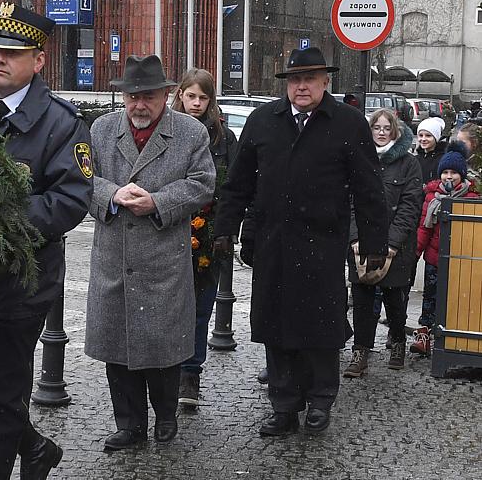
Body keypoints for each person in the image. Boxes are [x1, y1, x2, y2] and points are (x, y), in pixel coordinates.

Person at [0, 3, 93, 479]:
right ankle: (36, 447)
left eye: (12, 51)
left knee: (1, 395)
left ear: (39, 60)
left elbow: (71, 198)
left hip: (19, 285)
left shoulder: (63, 123)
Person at [213, 47, 388, 436]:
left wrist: (375, 242)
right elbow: (238, 184)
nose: (302, 86)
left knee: (320, 327)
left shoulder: (348, 123)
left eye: (310, 79)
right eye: (295, 79)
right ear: (287, 84)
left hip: (323, 244)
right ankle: (283, 404)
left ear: (326, 81)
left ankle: (320, 399)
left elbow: (369, 188)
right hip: (273, 241)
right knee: (275, 326)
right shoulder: (263, 121)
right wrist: (225, 229)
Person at [85, 54, 215, 450]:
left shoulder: (191, 134)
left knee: (163, 347)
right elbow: (81, 179)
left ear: (166, 94)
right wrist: (111, 194)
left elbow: (203, 184)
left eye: (148, 97)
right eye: (132, 97)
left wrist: (158, 202)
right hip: (114, 260)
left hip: (163, 261)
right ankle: (129, 424)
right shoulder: (101, 129)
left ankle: (165, 415)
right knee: (117, 348)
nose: (139, 105)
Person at [169, 68, 237, 408]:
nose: (196, 103)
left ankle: (190, 374)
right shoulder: (165, 129)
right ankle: (165, 372)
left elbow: (234, 186)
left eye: (203, 97)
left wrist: (225, 227)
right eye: (191, 95)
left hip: (209, 233)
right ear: (180, 94)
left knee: (199, 308)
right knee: (167, 308)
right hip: (170, 229)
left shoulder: (222, 138)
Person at [343, 109, 423, 377]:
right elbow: (351, 202)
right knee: (362, 298)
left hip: (395, 244)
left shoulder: (408, 164)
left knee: (394, 299)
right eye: (376, 127)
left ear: (395, 131)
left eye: (386, 128)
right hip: (363, 242)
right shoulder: (361, 159)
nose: (380, 132)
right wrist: (355, 237)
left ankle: (397, 341)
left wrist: (392, 243)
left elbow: (411, 207)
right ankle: (360, 351)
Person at [413, 141, 479, 355]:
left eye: (454, 173)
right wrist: (416, 252)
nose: (449, 177)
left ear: (462, 175)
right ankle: (424, 334)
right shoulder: (432, 197)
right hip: (435, 258)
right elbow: (424, 227)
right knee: (430, 297)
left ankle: (451, 338)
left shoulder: (470, 198)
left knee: (455, 297)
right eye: (445, 172)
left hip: (460, 259)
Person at [414, 117, 447, 185]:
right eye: (421, 135)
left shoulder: (443, 159)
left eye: (428, 136)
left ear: (436, 138)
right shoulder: (415, 159)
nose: (423, 139)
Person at [456, 122, 482, 186]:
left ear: (474, 143)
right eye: (457, 141)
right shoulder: (458, 157)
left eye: (462, 143)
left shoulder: (478, 163)